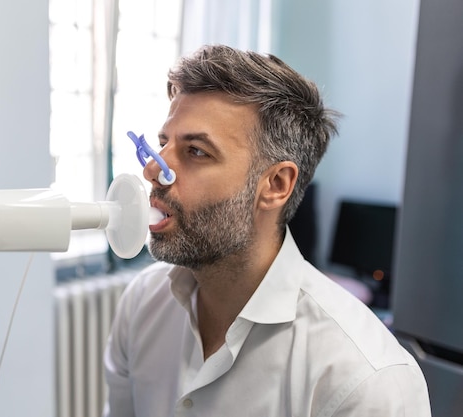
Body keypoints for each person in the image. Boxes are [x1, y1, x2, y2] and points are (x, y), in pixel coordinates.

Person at [103, 45, 431, 416]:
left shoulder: (365, 380)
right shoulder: (142, 303)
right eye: (164, 144)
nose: (154, 170)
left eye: (196, 151)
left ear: (275, 185)